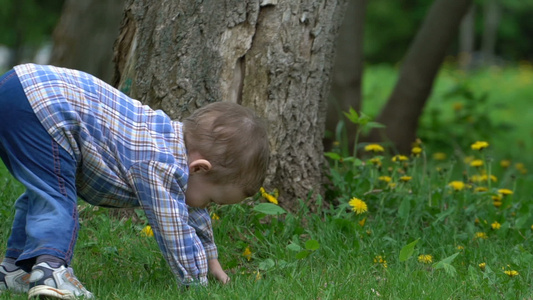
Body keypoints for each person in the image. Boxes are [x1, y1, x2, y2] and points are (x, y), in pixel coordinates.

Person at [0, 64, 270, 299]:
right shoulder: (160, 164)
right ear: (199, 168)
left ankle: (15, 269)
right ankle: (51, 269)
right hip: (45, 104)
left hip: (21, 89)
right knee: (56, 196)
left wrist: (211, 260)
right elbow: (173, 226)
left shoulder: (169, 142)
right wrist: (196, 283)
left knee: (44, 191)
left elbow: (191, 210)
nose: (207, 207)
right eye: (212, 200)